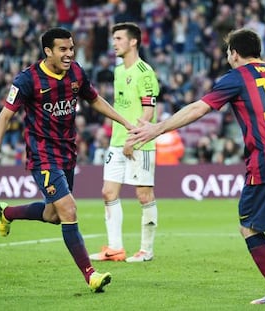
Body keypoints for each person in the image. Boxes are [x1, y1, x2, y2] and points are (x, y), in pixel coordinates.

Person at [128, 28, 265, 304]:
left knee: (249, 226)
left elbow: (199, 108)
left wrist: (159, 128)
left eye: (228, 52)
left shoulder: (236, 77)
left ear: (234, 53)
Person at [0, 27, 134, 293]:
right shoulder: (28, 80)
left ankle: (6, 212)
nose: (69, 54)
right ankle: (90, 274)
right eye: (63, 50)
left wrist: (123, 121)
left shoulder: (76, 72)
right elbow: (5, 115)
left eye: (71, 48)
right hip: (42, 154)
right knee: (69, 209)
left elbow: (95, 99)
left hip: (67, 152)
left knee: (53, 215)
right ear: (48, 51)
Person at [89, 22, 160, 263]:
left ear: (133, 42)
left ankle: (146, 251)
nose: (114, 43)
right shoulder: (119, 71)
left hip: (140, 142)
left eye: (119, 38)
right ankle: (115, 248)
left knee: (143, 195)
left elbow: (149, 111)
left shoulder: (145, 72)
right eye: (114, 38)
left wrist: (133, 138)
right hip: (117, 141)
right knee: (108, 192)